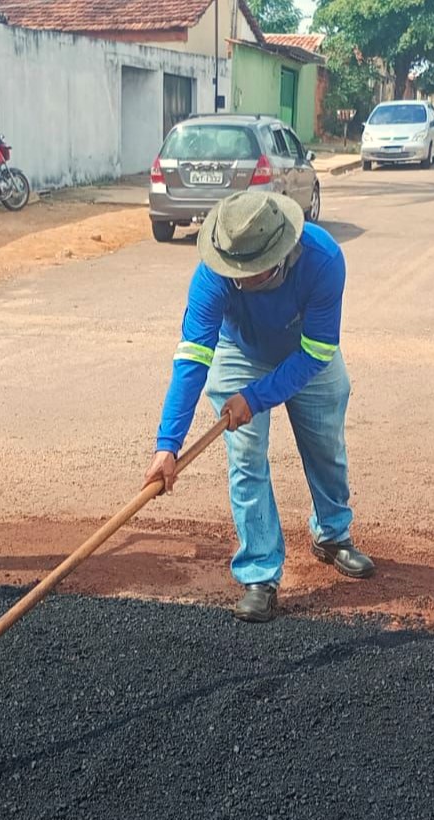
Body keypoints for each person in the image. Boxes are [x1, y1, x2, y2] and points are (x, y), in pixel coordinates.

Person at [144, 191, 374, 624]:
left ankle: (332, 533)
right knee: (246, 458)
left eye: (247, 273)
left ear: (280, 254)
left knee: (325, 447)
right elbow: (192, 359)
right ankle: (260, 573)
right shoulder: (212, 275)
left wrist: (255, 398)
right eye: (232, 271)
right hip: (239, 352)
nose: (237, 280)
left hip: (307, 352)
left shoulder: (323, 260)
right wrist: (167, 445)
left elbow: (316, 352)